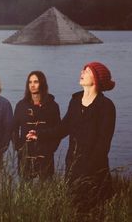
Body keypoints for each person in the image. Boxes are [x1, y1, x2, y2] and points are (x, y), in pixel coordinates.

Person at [30, 62, 116, 208]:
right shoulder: (75, 101)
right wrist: (39, 134)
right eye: (83, 69)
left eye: (87, 71)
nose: (82, 72)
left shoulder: (106, 106)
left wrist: (88, 169)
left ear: (96, 78)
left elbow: (103, 145)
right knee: (73, 209)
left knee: (95, 210)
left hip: (94, 169)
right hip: (72, 166)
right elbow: (63, 128)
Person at [13, 71, 61, 179]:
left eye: (36, 82)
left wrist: (51, 148)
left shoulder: (52, 106)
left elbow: (58, 129)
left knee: (46, 188)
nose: (32, 85)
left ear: (42, 83)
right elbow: (14, 128)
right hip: (25, 153)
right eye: (30, 82)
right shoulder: (21, 105)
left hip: (45, 153)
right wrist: (18, 147)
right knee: (25, 189)